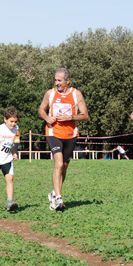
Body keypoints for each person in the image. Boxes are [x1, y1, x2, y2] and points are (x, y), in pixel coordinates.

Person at [38, 68, 89, 211]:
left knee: (64, 167)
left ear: (67, 80)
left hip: (70, 134)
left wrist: (70, 117)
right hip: (53, 132)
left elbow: (85, 115)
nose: (57, 83)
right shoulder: (50, 93)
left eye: (59, 80)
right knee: (58, 164)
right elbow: (41, 109)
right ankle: (58, 199)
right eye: (55, 80)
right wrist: (47, 117)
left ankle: (54, 193)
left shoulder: (76, 94)